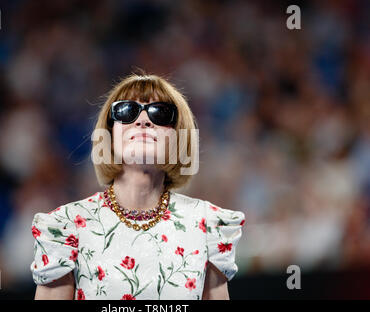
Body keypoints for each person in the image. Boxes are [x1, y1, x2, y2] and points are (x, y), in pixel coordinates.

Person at [30, 72, 245, 300]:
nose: (143, 121)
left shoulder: (209, 226)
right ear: (109, 135)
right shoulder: (65, 228)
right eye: (126, 111)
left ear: (179, 139)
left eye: (161, 113)